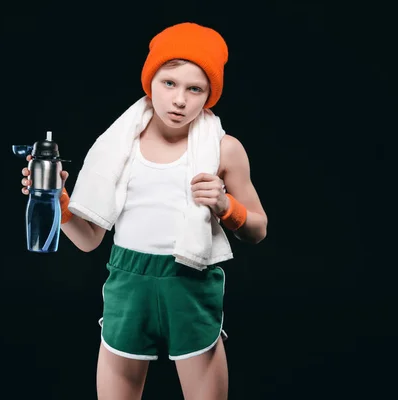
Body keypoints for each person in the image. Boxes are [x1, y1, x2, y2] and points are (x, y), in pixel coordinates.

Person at [20, 22, 267, 400]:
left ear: (209, 96)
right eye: (169, 83)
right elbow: (89, 242)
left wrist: (224, 205)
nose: (180, 100)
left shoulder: (224, 148)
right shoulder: (120, 145)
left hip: (190, 283)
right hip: (127, 283)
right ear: (150, 81)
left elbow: (258, 229)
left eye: (194, 88)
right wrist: (58, 200)